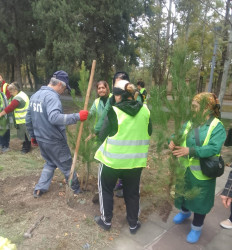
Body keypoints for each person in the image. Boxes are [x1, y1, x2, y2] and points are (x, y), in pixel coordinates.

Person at [94, 80, 152, 234]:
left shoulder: (114, 111)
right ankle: (133, 224)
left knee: (106, 190)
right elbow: (150, 131)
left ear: (118, 96)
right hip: (135, 162)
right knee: (132, 193)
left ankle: (106, 221)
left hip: (112, 163)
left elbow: (101, 134)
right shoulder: (145, 110)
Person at [169, 92, 226, 244]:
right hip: (185, 170)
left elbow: (214, 148)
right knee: (183, 194)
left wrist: (191, 151)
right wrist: (172, 141)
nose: (192, 109)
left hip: (202, 173)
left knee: (200, 201)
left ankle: (196, 227)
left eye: (195, 106)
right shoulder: (190, 122)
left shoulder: (216, 126)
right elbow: (178, 134)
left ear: (207, 107)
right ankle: (185, 212)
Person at [26, 70, 89, 198]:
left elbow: (28, 118)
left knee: (50, 162)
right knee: (66, 165)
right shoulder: (52, 97)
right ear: (60, 85)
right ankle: (76, 190)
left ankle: (39, 189)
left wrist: (33, 136)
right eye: (65, 88)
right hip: (54, 140)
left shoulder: (35, 96)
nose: (63, 91)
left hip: (42, 139)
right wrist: (77, 116)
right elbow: (54, 118)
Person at [0, 82, 31, 153]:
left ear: (15, 90)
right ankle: (26, 146)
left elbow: (10, 108)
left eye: (11, 92)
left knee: (25, 136)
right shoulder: (22, 94)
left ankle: (26, 149)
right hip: (25, 118)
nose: (10, 94)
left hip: (23, 119)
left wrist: (1, 114)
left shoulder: (18, 98)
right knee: (25, 135)